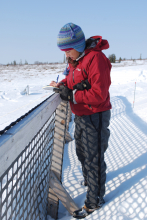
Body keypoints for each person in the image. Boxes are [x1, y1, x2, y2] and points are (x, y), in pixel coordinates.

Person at [50, 23, 112, 219]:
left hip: (96, 115)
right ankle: (90, 182)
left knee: (94, 159)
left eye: (68, 51)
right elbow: (72, 82)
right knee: (82, 153)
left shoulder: (96, 59)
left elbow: (99, 94)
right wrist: (62, 86)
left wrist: (73, 95)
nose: (66, 55)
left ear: (77, 46)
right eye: (64, 52)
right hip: (81, 115)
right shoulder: (76, 60)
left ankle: (95, 199)